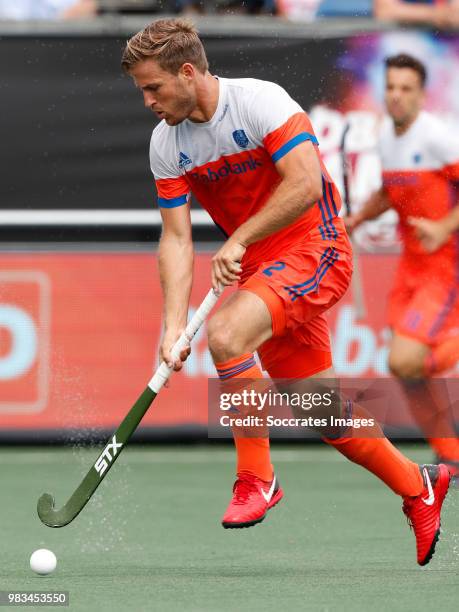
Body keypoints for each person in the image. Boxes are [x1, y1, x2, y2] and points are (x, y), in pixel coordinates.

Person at [122, 21, 450, 566]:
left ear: (187, 72)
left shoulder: (259, 103)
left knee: (227, 336)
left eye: (153, 87)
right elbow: (176, 238)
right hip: (266, 273)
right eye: (140, 92)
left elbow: (305, 183)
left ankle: (256, 479)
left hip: (317, 246)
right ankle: (419, 485)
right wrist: (172, 325)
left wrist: (241, 240)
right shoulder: (166, 143)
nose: (148, 101)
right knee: (319, 409)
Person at [345, 53, 459, 481]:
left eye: (405, 88)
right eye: (390, 86)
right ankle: (451, 454)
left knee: (407, 359)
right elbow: (391, 192)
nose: (395, 95)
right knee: (403, 368)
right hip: (411, 265)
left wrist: (444, 226)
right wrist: (359, 217)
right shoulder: (388, 137)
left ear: (421, 95)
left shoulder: (438, 138)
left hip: (445, 266)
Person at [374, 0, 459, 28]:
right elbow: (384, 10)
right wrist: (434, 14)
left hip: (442, 49)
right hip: (401, 41)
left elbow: (455, 13)